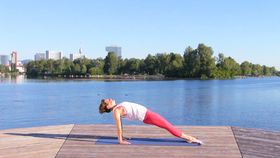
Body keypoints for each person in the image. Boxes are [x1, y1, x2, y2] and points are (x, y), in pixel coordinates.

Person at [99, 98, 203, 145]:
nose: (111, 98)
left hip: (147, 114)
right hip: (147, 116)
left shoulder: (117, 107)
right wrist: (120, 141)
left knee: (167, 125)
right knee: (168, 125)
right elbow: (118, 126)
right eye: (109, 100)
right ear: (108, 106)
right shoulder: (116, 111)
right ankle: (189, 138)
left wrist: (122, 136)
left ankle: (188, 138)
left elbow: (121, 124)